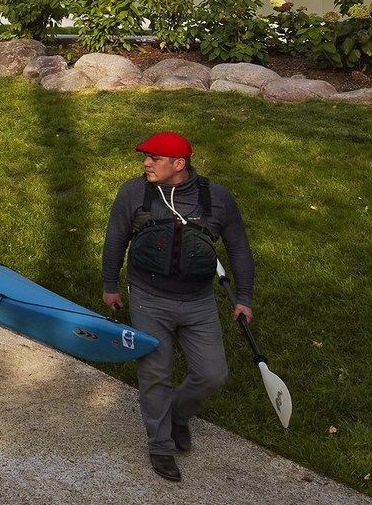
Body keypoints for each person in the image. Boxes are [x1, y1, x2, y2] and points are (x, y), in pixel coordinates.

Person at [101, 131, 255, 483]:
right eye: (146, 157)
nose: (146, 163)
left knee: (212, 374)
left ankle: (177, 415)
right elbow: (115, 239)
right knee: (156, 374)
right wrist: (110, 284)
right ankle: (160, 446)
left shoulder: (217, 199)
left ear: (179, 164)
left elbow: (239, 250)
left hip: (198, 300)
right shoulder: (133, 192)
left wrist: (244, 297)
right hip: (148, 297)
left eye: (154, 158)